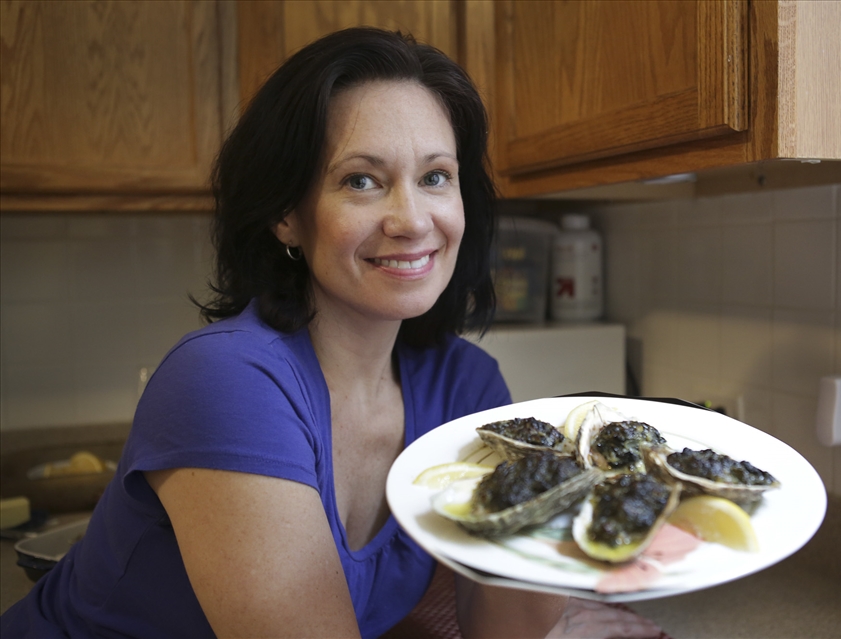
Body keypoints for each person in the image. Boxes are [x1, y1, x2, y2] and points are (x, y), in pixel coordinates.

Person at [1, 28, 662, 639]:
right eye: (362, 181)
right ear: (286, 213)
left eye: (435, 176)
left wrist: (568, 504)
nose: (412, 219)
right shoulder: (227, 381)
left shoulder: (464, 384)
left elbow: (501, 628)